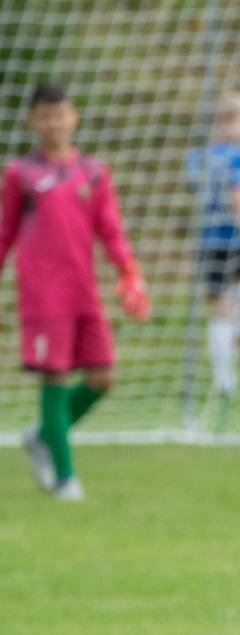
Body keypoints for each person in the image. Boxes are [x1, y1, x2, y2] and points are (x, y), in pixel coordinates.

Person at [2, 83, 149, 502]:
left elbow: (111, 229)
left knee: (103, 376)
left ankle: (45, 435)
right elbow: (5, 232)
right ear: (32, 122)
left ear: (74, 117)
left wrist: (129, 272)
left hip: (83, 290)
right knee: (55, 375)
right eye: (45, 116)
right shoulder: (21, 174)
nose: (54, 123)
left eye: (60, 114)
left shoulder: (95, 172)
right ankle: (66, 480)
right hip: (42, 293)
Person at [187, 92, 240, 405]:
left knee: (221, 307)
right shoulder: (239, 156)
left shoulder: (197, 157)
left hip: (207, 239)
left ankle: (224, 380)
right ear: (230, 121)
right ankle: (231, 352)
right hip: (233, 238)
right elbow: (239, 199)